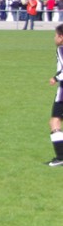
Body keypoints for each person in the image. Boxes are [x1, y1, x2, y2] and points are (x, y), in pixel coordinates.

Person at [46, 24, 63, 166]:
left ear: (61, 37)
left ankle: (61, 157)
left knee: (54, 121)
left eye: (55, 35)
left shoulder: (61, 49)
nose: (54, 38)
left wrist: (55, 78)